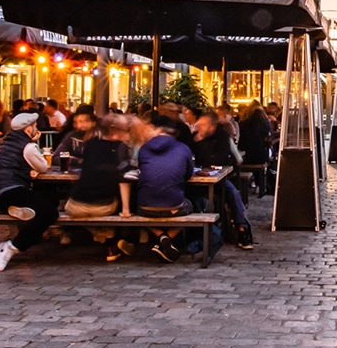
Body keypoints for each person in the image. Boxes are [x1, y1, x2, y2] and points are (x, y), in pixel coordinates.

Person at [0, 112, 53, 271]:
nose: (36, 128)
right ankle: (12, 246)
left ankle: (17, 209)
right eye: (35, 126)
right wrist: (34, 144)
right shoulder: (28, 147)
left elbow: (12, 164)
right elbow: (43, 166)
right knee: (50, 212)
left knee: (48, 199)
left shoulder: (5, 143)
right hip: (11, 189)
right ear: (28, 129)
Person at [65, 113, 133, 261]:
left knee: (70, 207)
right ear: (114, 130)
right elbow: (123, 179)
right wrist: (126, 210)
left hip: (76, 206)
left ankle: (108, 242)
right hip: (103, 207)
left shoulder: (90, 143)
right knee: (114, 204)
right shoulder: (120, 149)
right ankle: (111, 240)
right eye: (125, 129)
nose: (127, 133)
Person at [133, 112, 194, 263]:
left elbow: (141, 169)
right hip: (174, 205)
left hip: (145, 207)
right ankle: (167, 237)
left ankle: (160, 236)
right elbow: (188, 175)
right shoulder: (183, 148)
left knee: (139, 207)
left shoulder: (144, 149)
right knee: (191, 205)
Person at [191, 111, 253, 250]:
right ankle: (196, 234)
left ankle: (241, 229)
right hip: (196, 181)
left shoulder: (222, 137)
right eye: (199, 124)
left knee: (232, 193)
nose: (200, 127)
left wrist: (201, 143)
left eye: (203, 125)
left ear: (212, 127)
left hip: (219, 179)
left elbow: (225, 159)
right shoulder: (194, 137)